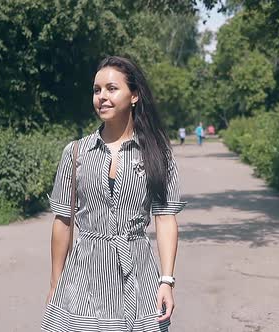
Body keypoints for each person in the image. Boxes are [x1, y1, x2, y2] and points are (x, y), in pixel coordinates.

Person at [41, 56, 186, 332]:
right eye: (97, 90)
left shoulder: (158, 154)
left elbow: (165, 219)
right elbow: (63, 222)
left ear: (134, 96)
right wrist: (55, 284)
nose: (102, 97)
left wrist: (166, 280)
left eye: (111, 89)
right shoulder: (75, 153)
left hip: (138, 275)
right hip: (84, 277)